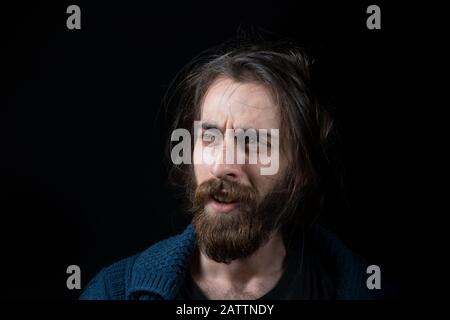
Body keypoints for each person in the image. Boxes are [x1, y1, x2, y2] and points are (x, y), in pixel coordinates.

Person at [80, 40, 396, 300]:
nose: (222, 166)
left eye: (254, 143)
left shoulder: (364, 291)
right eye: (210, 137)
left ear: (300, 172)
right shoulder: (113, 292)